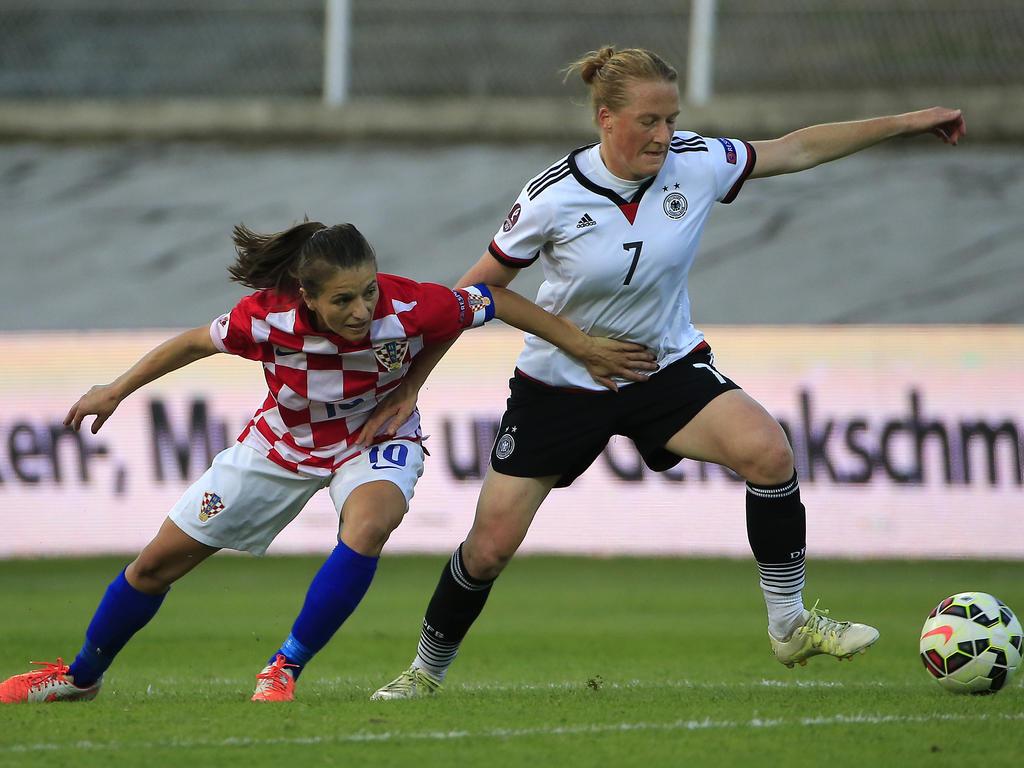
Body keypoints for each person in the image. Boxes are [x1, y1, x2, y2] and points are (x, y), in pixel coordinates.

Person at [367, 45, 967, 700]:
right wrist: (420, 381)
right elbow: (480, 293)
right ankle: (424, 672)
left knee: (768, 452)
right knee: (488, 550)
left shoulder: (698, 162)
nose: (663, 135)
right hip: (563, 381)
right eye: (648, 121)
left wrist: (910, 121)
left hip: (663, 367)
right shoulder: (553, 195)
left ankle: (790, 624)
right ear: (605, 119)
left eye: (671, 118)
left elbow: (797, 148)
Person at [0, 219, 655, 704]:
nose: (363, 310)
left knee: (369, 525)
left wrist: (582, 347)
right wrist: (116, 388)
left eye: (368, 292)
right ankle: (81, 676)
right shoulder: (265, 319)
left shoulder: (408, 305)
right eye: (343, 300)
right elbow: (194, 343)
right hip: (277, 446)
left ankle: (284, 667)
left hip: (373, 439)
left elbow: (497, 300)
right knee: (155, 564)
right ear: (306, 298)